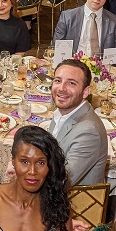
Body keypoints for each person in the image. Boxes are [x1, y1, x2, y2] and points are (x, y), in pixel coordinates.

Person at [47, 59, 109, 188]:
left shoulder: (89, 132)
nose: (61, 88)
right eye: (58, 81)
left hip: (72, 204)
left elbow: (61, 182)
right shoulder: (63, 112)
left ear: (86, 92)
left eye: (71, 83)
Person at [54, 0, 116, 66]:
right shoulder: (67, 17)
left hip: (101, 69)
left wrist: (101, 67)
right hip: (73, 66)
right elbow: (57, 48)